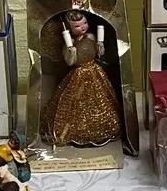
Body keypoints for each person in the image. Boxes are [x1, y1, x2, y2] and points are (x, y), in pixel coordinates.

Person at [39, 10, 122, 147]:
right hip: (78, 74)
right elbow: (70, 62)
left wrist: (100, 46)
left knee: (101, 100)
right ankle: (70, 131)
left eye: (84, 23)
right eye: (77, 26)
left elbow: (99, 54)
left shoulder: (91, 36)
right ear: (69, 28)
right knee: (73, 102)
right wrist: (71, 52)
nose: (83, 27)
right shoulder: (70, 43)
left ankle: (100, 128)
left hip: (94, 70)